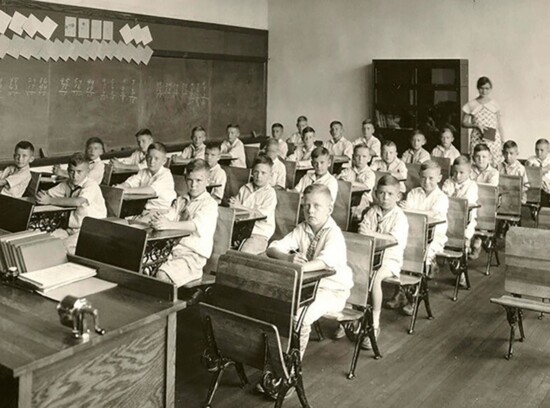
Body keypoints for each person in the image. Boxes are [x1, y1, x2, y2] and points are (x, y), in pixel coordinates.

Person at [267, 184, 353, 357]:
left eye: (316, 206)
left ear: (329, 209)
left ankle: (292, 367)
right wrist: (288, 258)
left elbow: (323, 262)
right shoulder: (303, 228)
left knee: (300, 317)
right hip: (307, 287)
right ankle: (277, 357)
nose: (310, 211)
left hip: (331, 291)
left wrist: (297, 267)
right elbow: (273, 247)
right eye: (306, 206)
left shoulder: (333, 234)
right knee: (275, 307)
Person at [357, 175, 408, 348]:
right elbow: (361, 230)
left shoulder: (400, 217)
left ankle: (375, 324)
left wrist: (372, 234)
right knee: (353, 272)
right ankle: (351, 319)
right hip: (370, 256)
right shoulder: (373, 211)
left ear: (398, 196)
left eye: (390, 194)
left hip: (390, 260)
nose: (385, 198)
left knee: (376, 277)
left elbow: (392, 239)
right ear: (376, 193)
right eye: (381, 193)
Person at [152, 159, 218, 286]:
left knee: (162, 275)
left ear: (208, 181)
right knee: (144, 266)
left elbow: (194, 225)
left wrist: (168, 224)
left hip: (192, 257)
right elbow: (169, 216)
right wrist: (158, 220)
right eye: (190, 180)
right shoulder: (181, 200)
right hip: (171, 250)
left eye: (199, 180)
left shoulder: (209, 204)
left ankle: (171, 304)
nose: (193, 185)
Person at [394, 160, 448, 314]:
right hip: (413, 235)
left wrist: (411, 210)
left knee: (417, 257)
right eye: (424, 177)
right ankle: (402, 292)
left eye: (431, 178)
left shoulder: (441, 197)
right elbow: (406, 216)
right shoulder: (413, 193)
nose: (427, 181)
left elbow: (432, 214)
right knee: (398, 252)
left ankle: (414, 297)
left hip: (433, 238)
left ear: (439, 178)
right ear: (419, 176)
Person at [36, 152, 107, 252]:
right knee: (46, 241)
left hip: (91, 230)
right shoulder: (67, 184)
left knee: (64, 247)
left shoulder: (91, 185)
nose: (75, 176)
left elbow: (78, 202)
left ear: (87, 171)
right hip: (70, 229)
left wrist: (49, 200)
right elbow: (49, 193)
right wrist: (42, 195)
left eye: (79, 172)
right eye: (71, 171)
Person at [115, 142, 176, 219]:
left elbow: (151, 190)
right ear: (146, 157)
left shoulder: (166, 175)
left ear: (164, 161)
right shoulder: (143, 172)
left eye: (156, 158)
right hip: (144, 211)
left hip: (161, 213)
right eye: (149, 157)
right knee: (121, 221)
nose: (152, 161)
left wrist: (126, 190)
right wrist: (121, 186)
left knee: (131, 227)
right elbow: (130, 182)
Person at [230, 156, 277, 255]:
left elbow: (261, 215)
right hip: (240, 230)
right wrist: (232, 205)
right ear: (252, 172)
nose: (259, 176)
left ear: (270, 175)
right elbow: (234, 209)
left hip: (259, 233)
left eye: (263, 173)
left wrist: (239, 206)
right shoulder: (244, 188)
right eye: (256, 172)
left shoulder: (270, 193)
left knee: (243, 254)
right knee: (221, 247)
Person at [442, 156, 479, 268]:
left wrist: (452, 199)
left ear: (469, 172)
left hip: (465, 218)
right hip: (449, 216)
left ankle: (462, 265)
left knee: (465, 234)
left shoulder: (472, 185)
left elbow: (466, 203)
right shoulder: (448, 182)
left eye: (461, 173)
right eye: (455, 172)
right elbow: (443, 198)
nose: (457, 176)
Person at [462, 76, 504, 166]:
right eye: (482, 88)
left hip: (492, 138)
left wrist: (502, 140)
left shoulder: (495, 104)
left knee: (493, 161)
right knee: (477, 160)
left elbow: (499, 124)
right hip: (477, 137)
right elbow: (463, 123)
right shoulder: (471, 104)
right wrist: (476, 126)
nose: (484, 91)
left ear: (490, 89)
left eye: (487, 88)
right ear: (478, 88)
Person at [338, 144, 376, 219]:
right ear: (353, 157)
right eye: (357, 156)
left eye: (364, 156)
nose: (360, 159)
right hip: (346, 197)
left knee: (355, 211)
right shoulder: (347, 171)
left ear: (369, 158)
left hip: (363, 199)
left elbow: (366, 186)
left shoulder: (370, 173)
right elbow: (339, 180)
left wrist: (350, 183)